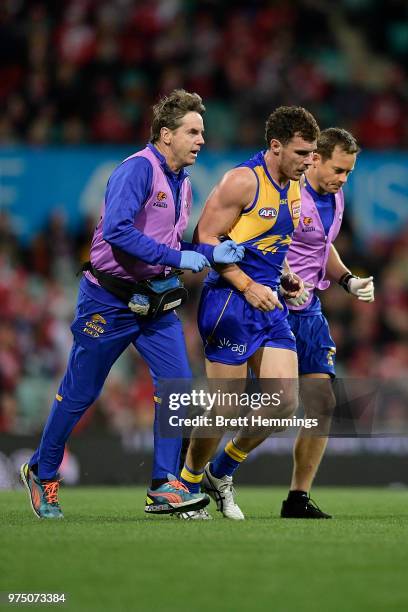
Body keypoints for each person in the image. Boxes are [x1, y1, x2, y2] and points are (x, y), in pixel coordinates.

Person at [20, 89, 245, 519]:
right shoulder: (137, 170)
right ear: (166, 134)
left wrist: (209, 252)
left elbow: (159, 241)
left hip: (154, 303)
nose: (201, 139)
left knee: (177, 389)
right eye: (192, 131)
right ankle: (42, 471)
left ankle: (162, 485)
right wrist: (179, 257)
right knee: (80, 393)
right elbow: (118, 233)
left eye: (203, 132)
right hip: (108, 299)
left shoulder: (180, 181)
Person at [178, 106, 319, 519]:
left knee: (284, 402)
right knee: (224, 407)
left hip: (269, 303)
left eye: (312, 153)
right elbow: (205, 236)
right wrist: (246, 285)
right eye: (301, 152)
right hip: (229, 302)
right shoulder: (242, 181)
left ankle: (221, 472)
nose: (309, 160)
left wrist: (288, 276)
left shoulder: (295, 183)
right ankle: (187, 483)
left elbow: (275, 240)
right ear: (275, 146)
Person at [280, 127, 374, 518]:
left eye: (349, 172)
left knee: (322, 404)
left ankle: (297, 498)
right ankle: (209, 470)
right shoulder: (286, 192)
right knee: (270, 404)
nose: (343, 179)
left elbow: (321, 245)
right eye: (339, 169)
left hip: (309, 308)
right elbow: (263, 241)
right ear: (315, 158)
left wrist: (347, 279)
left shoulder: (334, 197)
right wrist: (285, 281)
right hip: (270, 303)